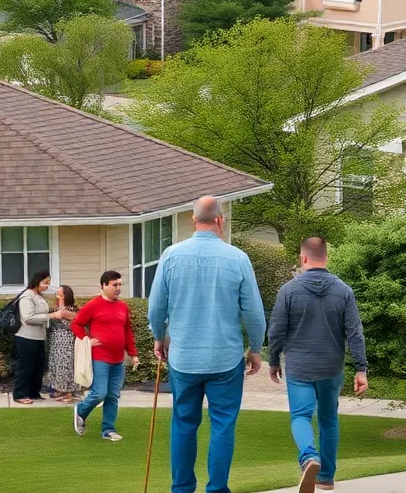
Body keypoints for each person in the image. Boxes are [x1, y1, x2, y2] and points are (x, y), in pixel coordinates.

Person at [148, 195, 267, 493]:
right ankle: (217, 489)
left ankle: (182, 488)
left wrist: (158, 337)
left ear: (193, 220)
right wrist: (255, 347)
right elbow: (253, 311)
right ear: (220, 220)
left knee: (184, 423)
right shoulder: (237, 258)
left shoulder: (171, 255)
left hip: (184, 356)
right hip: (225, 358)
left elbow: (156, 308)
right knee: (223, 425)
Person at [268, 236, 368, 493]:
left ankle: (308, 457)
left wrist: (274, 361)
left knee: (300, 415)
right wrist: (360, 368)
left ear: (303, 258)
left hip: (300, 366)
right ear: (326, 257)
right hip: (331, 367)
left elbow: (277, 331)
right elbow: (355, 332)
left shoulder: (288, 291)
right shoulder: (344, 291)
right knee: (328, 420)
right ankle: (326, 477)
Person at [71, 270, 141, 441]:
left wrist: (133, 354)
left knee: (113, 396)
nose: (118, 288)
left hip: (118, 359)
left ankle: (108, 430)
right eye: (114, 285)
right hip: (100, 357)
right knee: (100, 393)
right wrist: (87, 340)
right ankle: (81, 410)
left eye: (120, 285)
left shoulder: (123, 307)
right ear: (103, 286)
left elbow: (127, 332)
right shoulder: (93, 305)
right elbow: (76, 324)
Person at [14, 269, 70, 405]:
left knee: (38, 366)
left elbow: (43, 313)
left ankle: (34, 392)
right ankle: (20, 394)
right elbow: (28, 318)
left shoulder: (38, 296)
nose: (47, 286)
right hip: (26, 337)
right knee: (25, 367)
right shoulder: (27, 296)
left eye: (49, 283)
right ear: (37, 281)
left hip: (39, 337)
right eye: (45, 283)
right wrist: (52, 316)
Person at [48, 285, 80, 403]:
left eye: (61, 293)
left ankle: (68, 393)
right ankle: (60, 389)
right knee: (56, 364)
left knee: (65, 364)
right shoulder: (57, 307)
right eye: (58, 292)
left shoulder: (69, 309)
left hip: (66, 340)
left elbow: (73, 321)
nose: (58, 294)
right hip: (56, 340)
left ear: (66, 295)